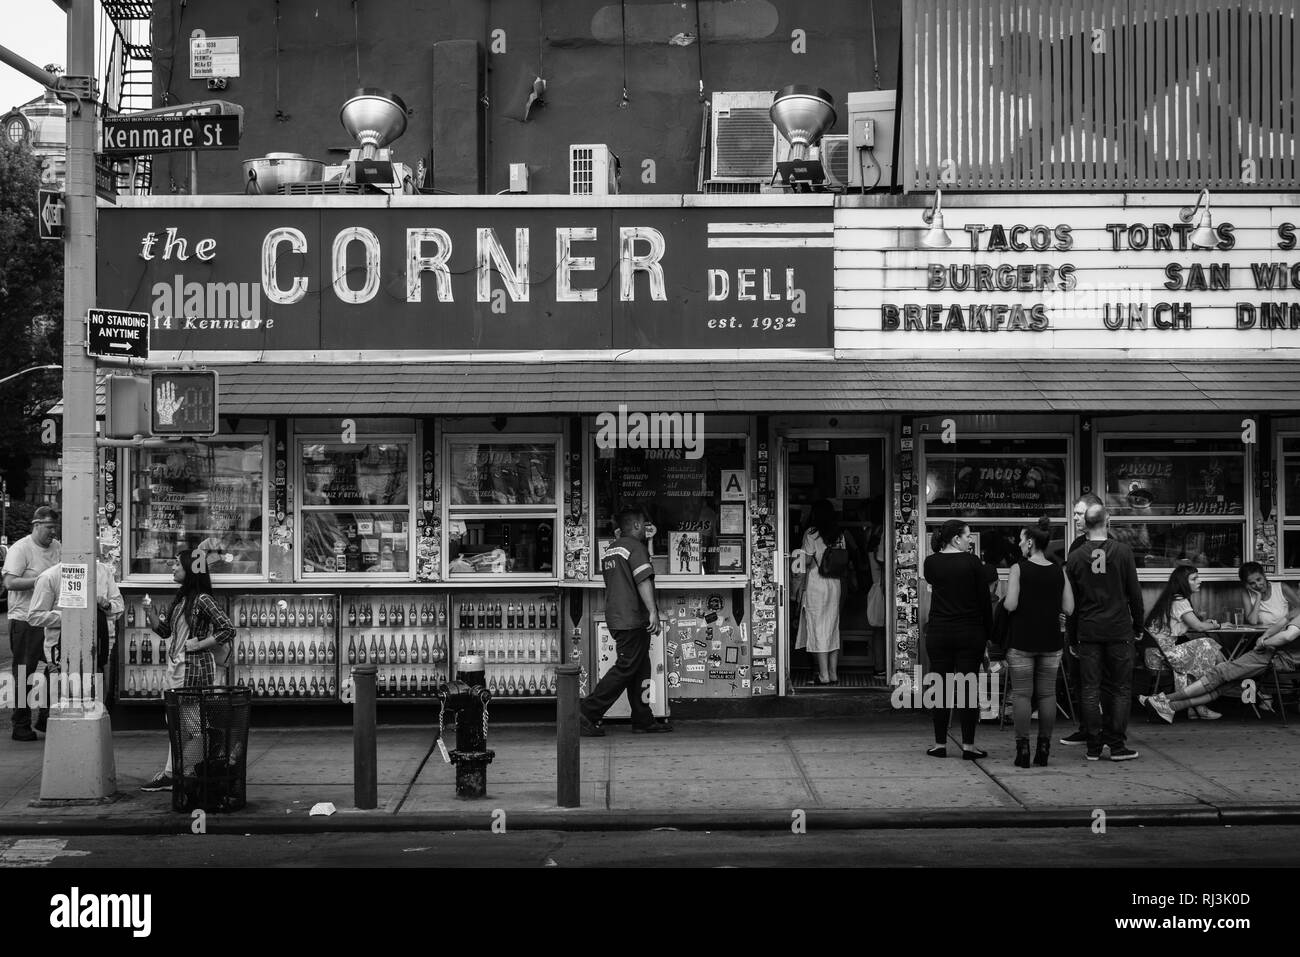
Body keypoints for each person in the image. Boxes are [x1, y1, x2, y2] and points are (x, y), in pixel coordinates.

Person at [139, 548, 237, 792]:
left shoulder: (203, 599)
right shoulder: (182, 598)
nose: (172, 568)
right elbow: (165, 633)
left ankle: (189, 768)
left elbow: (227, 628)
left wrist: (200, 643)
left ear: (191, 570)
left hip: (192, 669)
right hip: (177, 668)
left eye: (177, 565)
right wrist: (150, 614)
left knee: (193, 725)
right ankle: (185, 770)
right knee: (177, 722)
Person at [580, 507, 671, 736]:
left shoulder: (612, 549)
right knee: (625, 668)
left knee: (641, 667)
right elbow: (642, 581)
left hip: (618, 617)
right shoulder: (635, 547)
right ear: (638, 526)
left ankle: (643, 719)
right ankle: (586, 713)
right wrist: (652, 611)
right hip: (632, 618)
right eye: (644, 525)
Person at [1065, 504, 1144, 761]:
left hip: (1088, 630)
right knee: (1120, 688)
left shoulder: (1076, 556)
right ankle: (1117, 745)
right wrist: (1139, 626)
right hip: (1119, 629)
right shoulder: (1123, 552)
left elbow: (1072, 603)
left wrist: (1072, 635)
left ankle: (1093, 746)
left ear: (1085, 524)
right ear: (1106, 521)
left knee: (1089, 688)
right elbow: (1134, 593)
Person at [1142, 605, 1300, 723]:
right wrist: (1265, 635)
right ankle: (1169, 707)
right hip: (1274, 654)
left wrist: (1264, 643)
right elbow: (1281, 624)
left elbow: (1287, 636)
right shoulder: (1297, 608)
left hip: (1278, 657)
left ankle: (1162, 700)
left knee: (1221, 672)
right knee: (1226, 683)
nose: (1298, 588)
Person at [1003, 516, 1075, 768]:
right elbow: (1069, 607)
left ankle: (1022, 751)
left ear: (1031, 542)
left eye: (1021, 540)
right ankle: (1044, 749)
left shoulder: (1018, 568)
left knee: (1022, 694)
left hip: (1022, 639)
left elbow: (1010, 604)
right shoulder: (1058, 571)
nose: (1019, 544)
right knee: (1047, 694)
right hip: (1051, 640)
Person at [922, 520, 992, 760]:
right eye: (967, 536)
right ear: (955, 539)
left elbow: (933, 582)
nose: (970, 540)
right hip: (969, 632)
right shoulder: (973, 563)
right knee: (966, 688)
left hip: (939, 631)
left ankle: (940, 744)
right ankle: (968, 746)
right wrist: (988, 634)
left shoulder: (930, 563)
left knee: (940, 688)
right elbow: (984, 601)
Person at [27, 561, 124, 709]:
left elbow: (119, 607)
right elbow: (34, 616)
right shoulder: (50, 576)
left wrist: (107, 605)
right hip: (61, 654)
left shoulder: (103, 571)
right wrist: (71, 616)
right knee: (64, 705)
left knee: (96, 705)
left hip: (98, 653)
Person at [2, 506, 62, 741]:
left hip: (51, 618)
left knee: (54, 667)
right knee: (24, 672)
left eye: (55, 528)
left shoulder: (57, 547)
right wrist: (41, 581)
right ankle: (20, 724)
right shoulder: (21, 548)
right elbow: (9, 582)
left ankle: (45, 717)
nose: (53, 533)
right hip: (25, 619)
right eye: (49, 528)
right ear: (36, 525)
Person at [1142, 563, 1228, 720]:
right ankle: (1218, 686)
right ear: (1183, 582)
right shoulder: (1180, 601)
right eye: (1194, 578)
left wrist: (1203, 623)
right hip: (1162, 656)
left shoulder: (1172, 599)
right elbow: (1198, 626)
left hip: (1155, 653)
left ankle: (1194, 707)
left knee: (1203, 649)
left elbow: (1187, 624)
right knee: (1208, 644)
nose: (1199, 581)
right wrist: (1218, 625)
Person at [1056, 493, 1104, 748]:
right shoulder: (1076, 545)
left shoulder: (1109, 545)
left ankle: (1104, 732)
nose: (1074, 517)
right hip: (1076, 620)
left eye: (1078, 513)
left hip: (1099, 623)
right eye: (1074, 513)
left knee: (1099, 681)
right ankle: (1087, 728)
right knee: (1078, 677)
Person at [795, 500, 844, 685]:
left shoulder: (811, 533)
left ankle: (823, 675)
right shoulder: (838, 533)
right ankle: (833, 673)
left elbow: (806, 561)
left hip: (817, 583)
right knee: (832, 627)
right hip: (835, 583)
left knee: (817, 628)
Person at [1240, 562, 1299, 627]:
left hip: (1282, 633)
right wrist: (1258, 596)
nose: (1258, 585)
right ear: (1247, 585)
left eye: (1259, 579)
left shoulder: (1281, 588)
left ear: (1264, 575)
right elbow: (1253, 621)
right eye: (1252, 583)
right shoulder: (1247, 593)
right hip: (1259, 634)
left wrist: (1290, 622)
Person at [865, 526, 887, 676]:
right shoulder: (881, 538)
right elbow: (881, 559)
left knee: (877, 630)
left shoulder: (872, 538)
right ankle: (881, 666)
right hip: (881, 588)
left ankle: (879, 666)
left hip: (876, 588)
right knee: (881, 629)